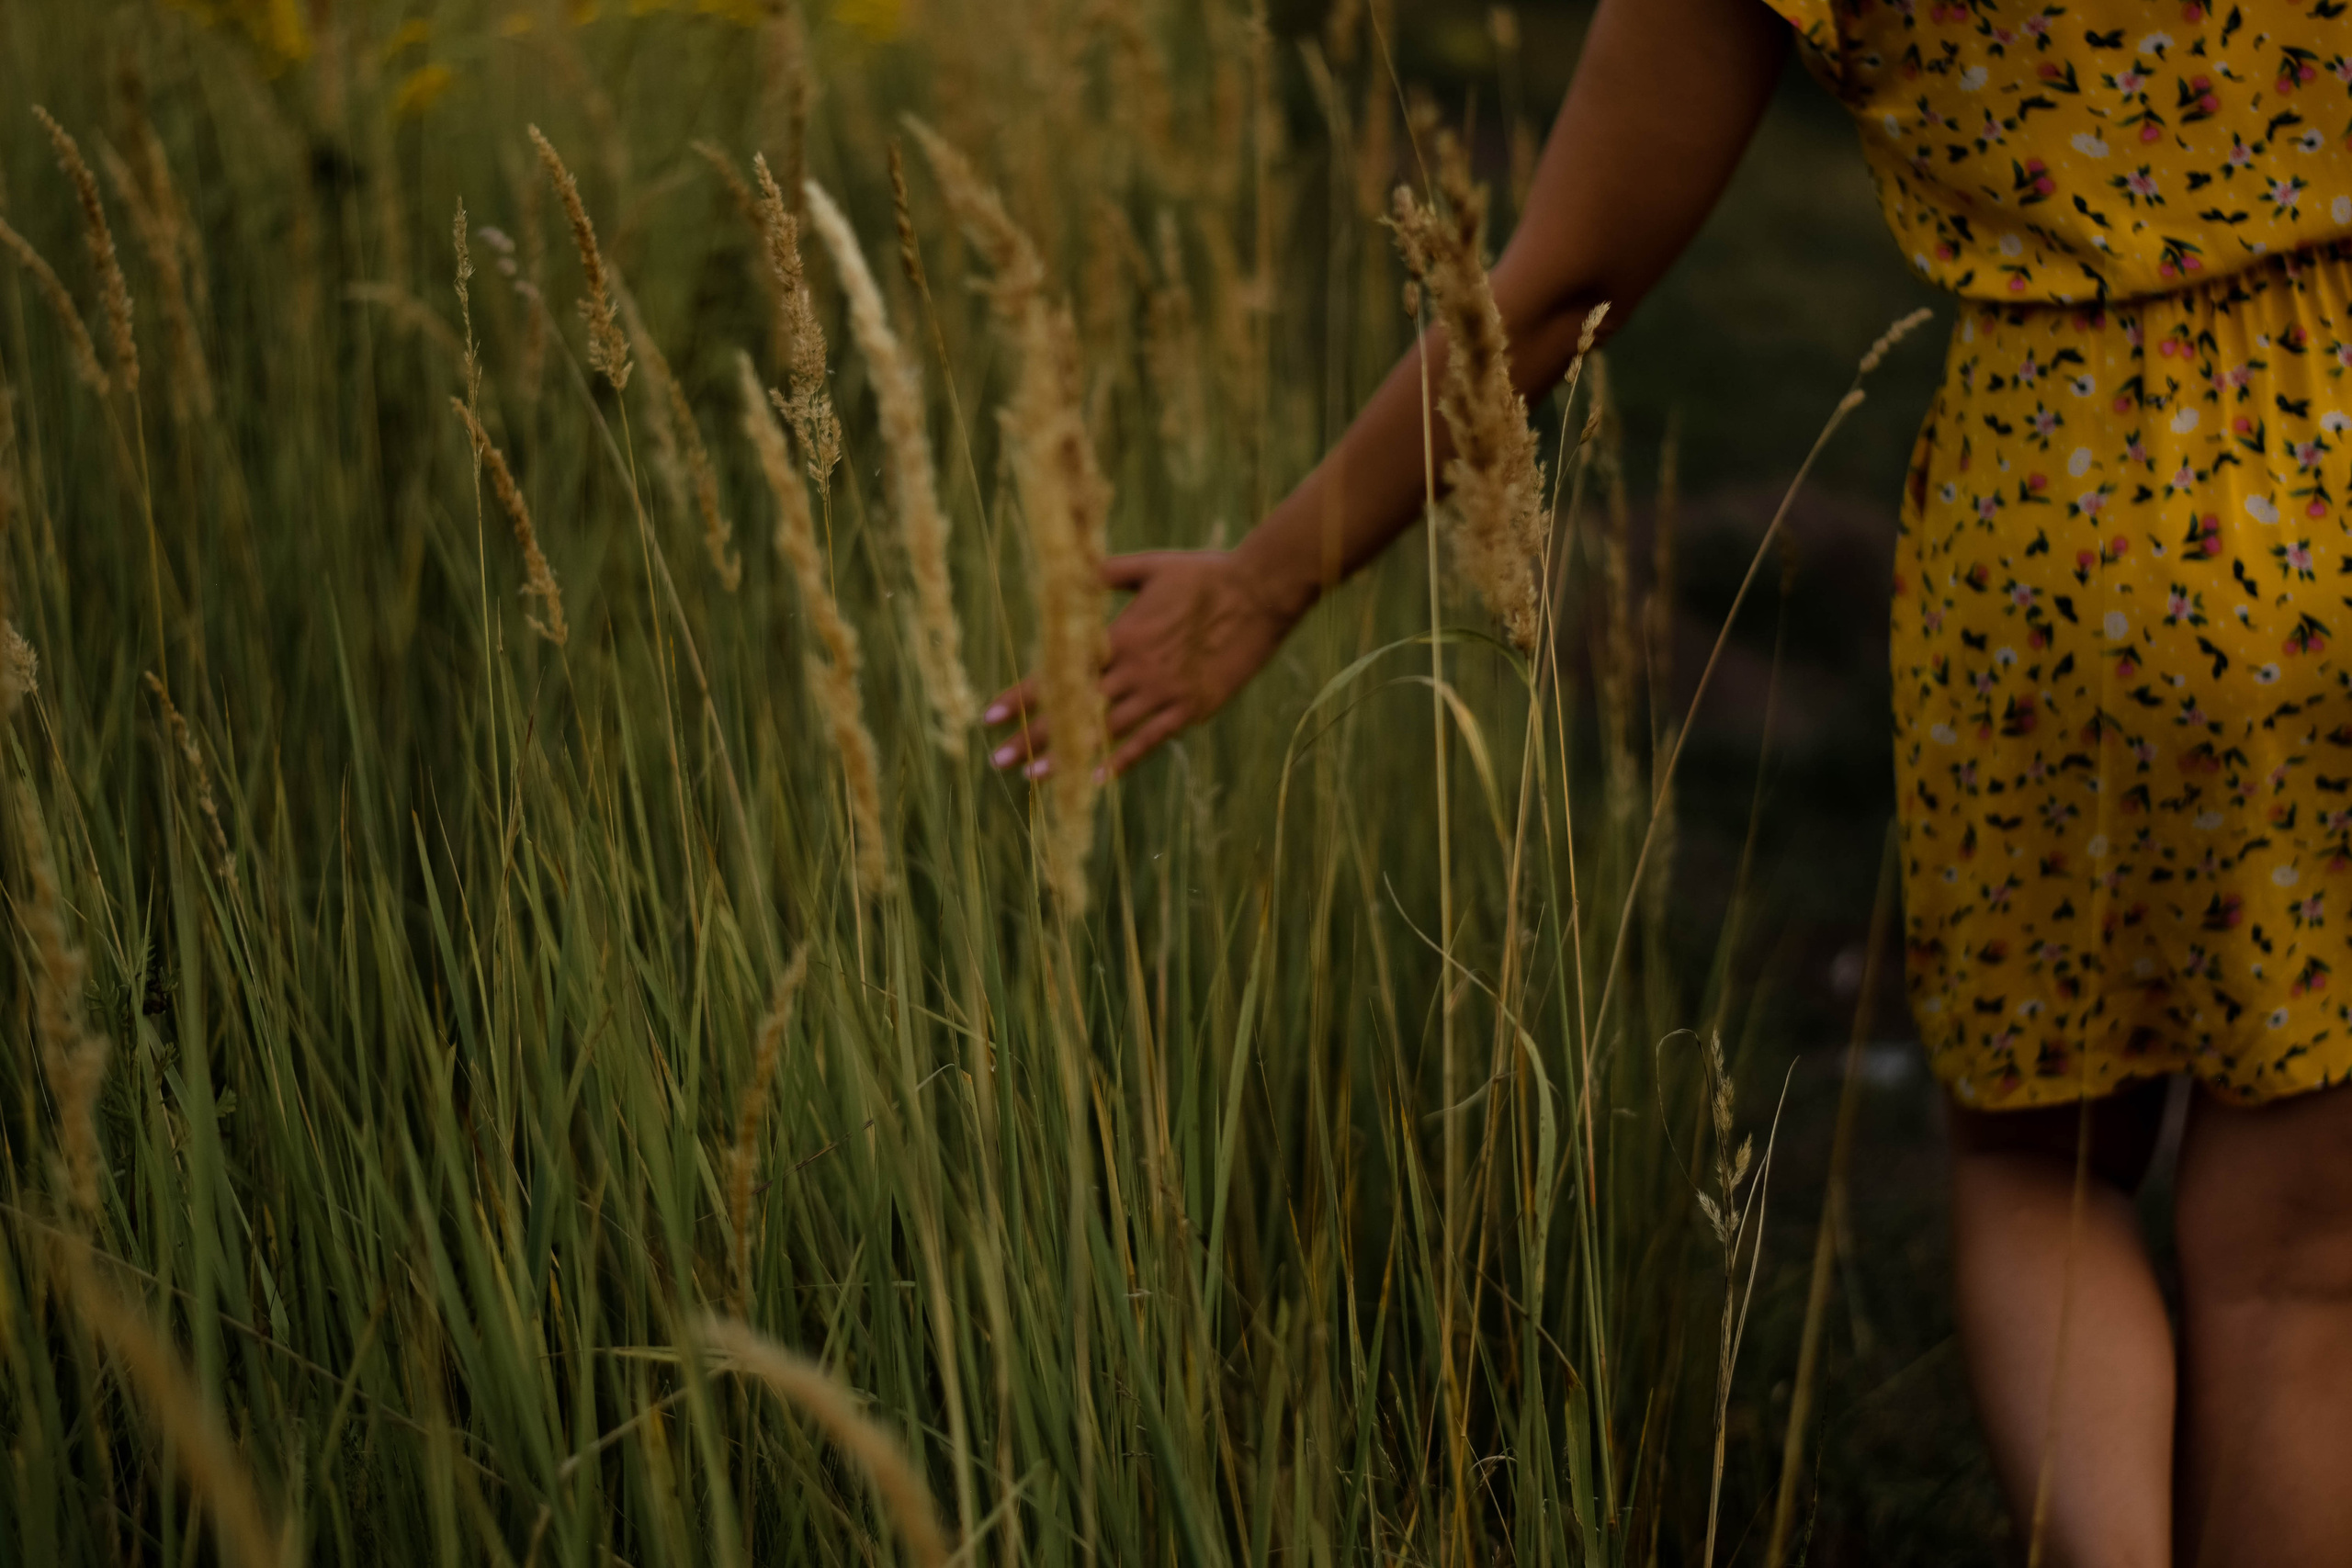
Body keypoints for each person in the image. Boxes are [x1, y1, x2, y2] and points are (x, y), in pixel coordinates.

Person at [986, 1, 2352, 1562]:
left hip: (2056, 521)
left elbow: (1563, 285)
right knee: (2300, 1264)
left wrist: (1266, 583)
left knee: (2046, 1159)